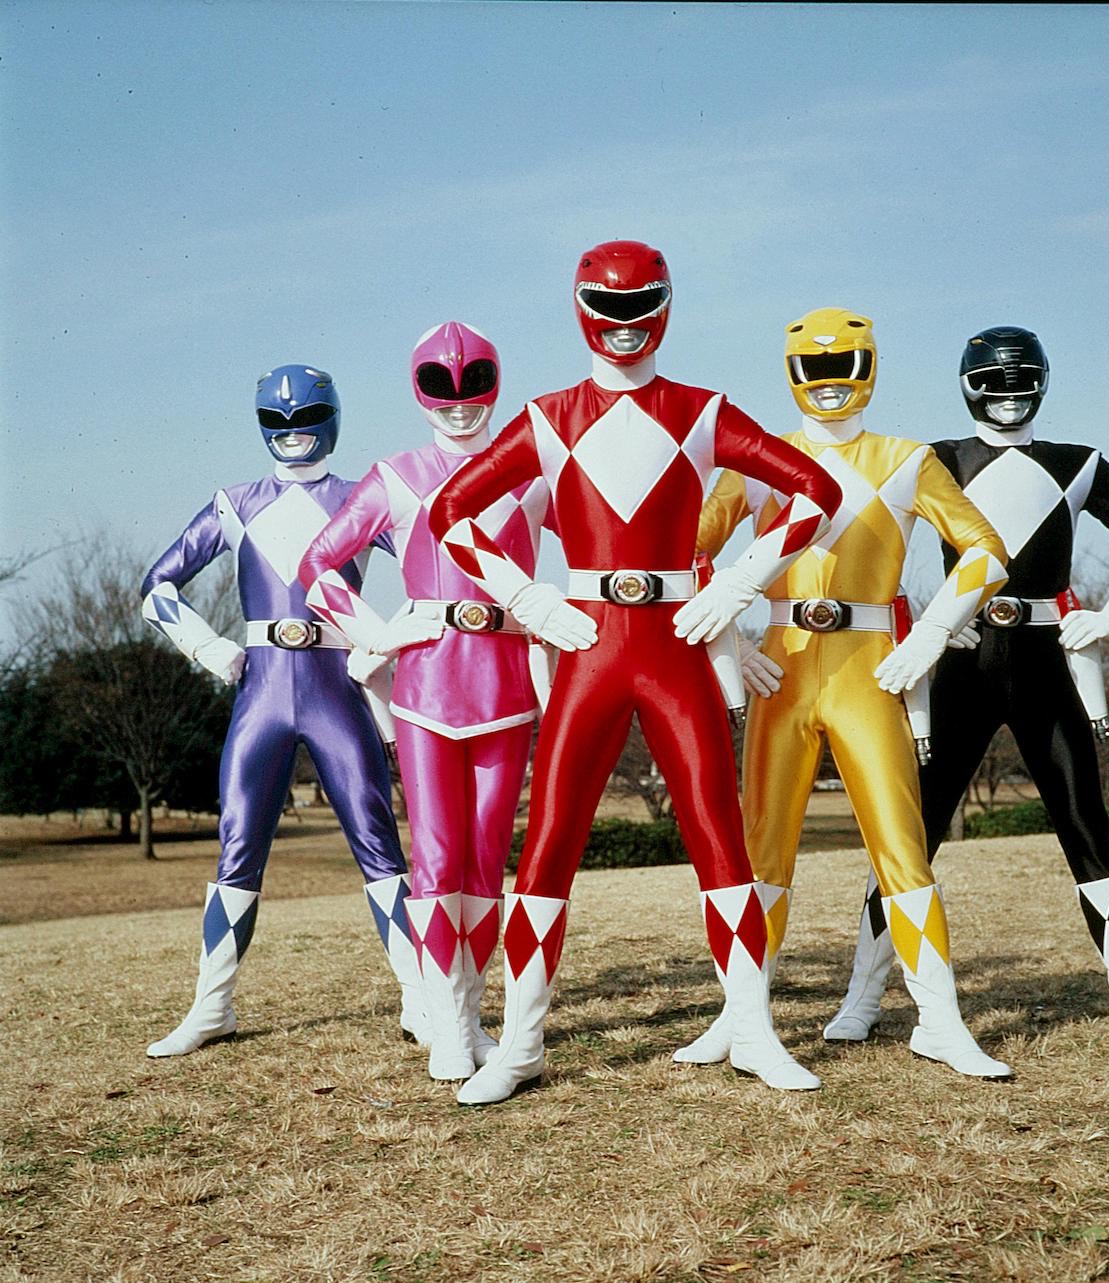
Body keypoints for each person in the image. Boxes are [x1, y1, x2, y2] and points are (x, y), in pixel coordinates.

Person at [428, 240, 844, 1104]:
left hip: (672, 640)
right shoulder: (549, 417)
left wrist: (737, 581)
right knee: (549, 841)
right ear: (581, 307)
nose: (624, 326)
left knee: (718, 834)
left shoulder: (701, 410)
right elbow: (450, 511)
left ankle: (752, 1030)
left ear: (666, 304)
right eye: (608, 308)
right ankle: (522, 1041)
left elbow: (816, 492)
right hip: (590, 641)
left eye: (640, 306)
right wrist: (527, 598)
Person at [826, 326, 1109, 1060]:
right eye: (993, 382)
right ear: (968, 387)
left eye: (1021, 381)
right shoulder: (936, 459)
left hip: (1045, 661)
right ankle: (861, 995)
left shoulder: (1079, 463)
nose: (1008, 396)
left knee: (1088, 830)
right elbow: (867, 537)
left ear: (1043, 383)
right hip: (961, 660)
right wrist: (906, 625)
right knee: (908, 835)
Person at [677, 307, 1014, 1080]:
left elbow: (988, 551)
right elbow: (687, 553)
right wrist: (732, 646)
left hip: (869, 665)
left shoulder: (907, 458)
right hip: (784, 665)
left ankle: (940, 1019)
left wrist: (932, 631)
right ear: (792, 373)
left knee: (901, 844)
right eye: (814, 370)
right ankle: (741, 1013)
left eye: (843, 367)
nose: (829, 385)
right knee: (761, 849)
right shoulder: (759, 460)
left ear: (869, 367)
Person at [142, 365, 420, 1057]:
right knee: (238, 844)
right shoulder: (235, 503)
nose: (293, 432)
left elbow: (432, 563)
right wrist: (211, 648)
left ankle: (423, 998)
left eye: (306, 418)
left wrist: (387, 639)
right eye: (278, 420)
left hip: (333, 682)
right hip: (261, 685)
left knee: (377, 841)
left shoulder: (363, 496)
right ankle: (212, 1006)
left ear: (332, 418)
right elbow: (157, 586)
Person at [299, 323, 551, 1082]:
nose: (460, 401)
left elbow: (609, 541)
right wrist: (378, 633)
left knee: (486, 858)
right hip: (425, 690)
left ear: (495, 383)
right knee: (436, 858)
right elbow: (318, 564)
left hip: (506, 685)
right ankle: (448, 1024)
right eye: (440, 386)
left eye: (475, 383)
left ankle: (469, 1018)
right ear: (418, 390)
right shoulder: (397, 476)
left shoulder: (534, 472)